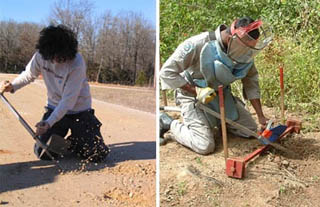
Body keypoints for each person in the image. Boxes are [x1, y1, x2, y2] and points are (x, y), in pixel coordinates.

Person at [159, 17, 273, 155]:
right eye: (246, 47)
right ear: (232, 39)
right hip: (192, 96)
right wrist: (195, 91)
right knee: (204, 145)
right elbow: (166, 72)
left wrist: (260, 115)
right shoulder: (196, 44)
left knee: (249, 129)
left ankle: (220, 121)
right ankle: (168, 123)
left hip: (220, 95)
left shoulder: (243, 52)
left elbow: (250, 82)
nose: (247, 52)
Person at [0, 25, 109, 162]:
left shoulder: (77, 62)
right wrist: (12, 86)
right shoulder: (40, 56)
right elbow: (29, 75)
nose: (56, 61)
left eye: (60, 57)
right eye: (53, 57)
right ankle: (68, 143)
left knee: (95, 155)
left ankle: (76, 141)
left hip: (79, 111)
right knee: (43, 151)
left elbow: (68, 101)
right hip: (54, 108)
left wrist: (48, 123)